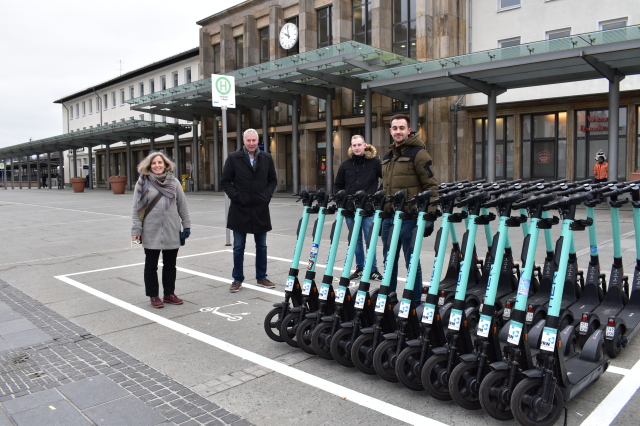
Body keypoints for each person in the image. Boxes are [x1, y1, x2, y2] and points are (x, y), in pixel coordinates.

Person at [381, 114, 439, 303]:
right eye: (395, 128)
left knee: (411, 262)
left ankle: (414, 303)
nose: (398, 131)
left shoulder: (419, 153)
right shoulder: (388, 156)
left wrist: (430, 215)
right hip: (390, 217)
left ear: (409, 130)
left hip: (409, 217)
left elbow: (431, 186)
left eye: (401, 128)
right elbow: (386, 187)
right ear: (391, 131)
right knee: (389, 261)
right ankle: (389, 301)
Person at [131, 151, 191, 308]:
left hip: (171, 229)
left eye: (160, 162)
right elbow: (137, 209)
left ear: (165, 165)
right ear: (149, 165)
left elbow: (182, 205)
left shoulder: (174, 182)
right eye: (154, 163)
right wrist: (136, 231)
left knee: (170, 265)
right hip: (150, 230)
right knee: (151, 266)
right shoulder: (142, 183)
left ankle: (169, 294)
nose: (157, 165)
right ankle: (153, 295)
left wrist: (187, 225)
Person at [221, 128, 278, 293]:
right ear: (244, 141)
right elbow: (225, 182)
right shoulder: (233, 158)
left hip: (260, 207)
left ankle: (261, 277)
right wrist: (237, 197)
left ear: (257, 141)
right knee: (238, 246)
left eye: (254, 140)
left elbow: (272, 180)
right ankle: (237, 279)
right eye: (248, 140)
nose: (251, 143)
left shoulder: (266, 157)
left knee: (262, 246)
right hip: (240, 208)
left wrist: (266, 196)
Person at [334, 135, 383, 281]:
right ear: (351, 147)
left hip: (368, 209)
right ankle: (360, 268)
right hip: (350, 210)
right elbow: (338, 185)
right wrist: (341, 198)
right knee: (355, 240)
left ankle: (373, 269)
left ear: (365, 145)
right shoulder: (346, 165)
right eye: (354, 145)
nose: (356, 147)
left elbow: (386, 180)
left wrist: (377, 194)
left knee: (370, 239)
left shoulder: (375, 163)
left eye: (359, 144)